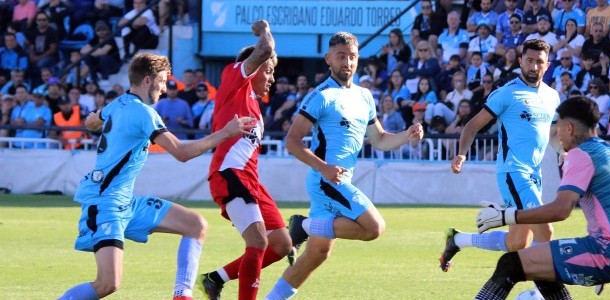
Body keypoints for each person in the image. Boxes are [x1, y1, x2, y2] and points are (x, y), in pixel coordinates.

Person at [57, 52, 255, 300]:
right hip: (105, 202)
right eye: (162, 81)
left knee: (195, 225)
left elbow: (90, 122)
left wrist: (100, 120)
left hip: (125, 201)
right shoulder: (144, 113)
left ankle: (182, 295)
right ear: (148, 80)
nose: (164, 88)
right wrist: (226, 132)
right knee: (108, 284)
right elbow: (181, 153)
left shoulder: (117, 103)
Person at [263, 31, 424, 300]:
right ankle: (304, 226)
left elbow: (380, 139)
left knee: (316, 255)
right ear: (328, 59)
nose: (346, 63)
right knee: (374, 228)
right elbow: (292, 141)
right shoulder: (321, 96)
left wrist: (408, 135)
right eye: (340, 57)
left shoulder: (364, 96)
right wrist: (324, 168)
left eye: (352, 57)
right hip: (326, 181)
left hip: (339, 181)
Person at [473, 96, 610, 300]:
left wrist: (506, 216)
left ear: (569, 127)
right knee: (539, 265)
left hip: (607, 253)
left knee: (509, 264)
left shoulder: (581, 155)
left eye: (558, 127)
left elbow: (560, 210)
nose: (557, 135)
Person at [442, 39, 559, 280]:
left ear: (547, 65)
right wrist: (462, 153)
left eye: (539, 62)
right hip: (514, 172)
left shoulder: (552, 96)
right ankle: (539, 294)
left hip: (535, 175)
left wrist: (563, 150)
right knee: (545, 229)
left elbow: (552, 134)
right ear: (520, 61)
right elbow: (472, 126)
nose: (534, 66)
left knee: (517, 241)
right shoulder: (507, 93)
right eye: (529, 60)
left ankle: (458, 240)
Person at [197, 20, 292, 300]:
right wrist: (264, 30)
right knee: (259, 242)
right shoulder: (234, 80)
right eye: (270, 71)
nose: (272, 79)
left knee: (281, 244)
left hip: (251, 181)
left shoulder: (254, 105)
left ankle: (215, 278)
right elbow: (265, 48)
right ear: (255, 67)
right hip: (230, 174)